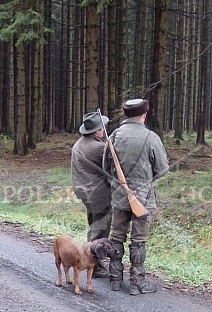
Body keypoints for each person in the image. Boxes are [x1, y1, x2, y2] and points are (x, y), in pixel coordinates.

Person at [103, 99, 169, 295]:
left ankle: (115, 278)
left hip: (118, 196)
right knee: (138, 240)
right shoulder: (151, 137)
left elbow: (106, 167)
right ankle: (137, 282)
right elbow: (162, 169)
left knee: (116, 236)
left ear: (126, 114)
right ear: (144, 114)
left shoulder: (114, 136)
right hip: (143, 198)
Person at [71, 111, 113, 278]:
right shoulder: (99, 148)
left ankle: (91, 260)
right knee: (100, 229)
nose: (103, 130)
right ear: (97, 131)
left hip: (84, 191)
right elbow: (113, 167)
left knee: (94, 225)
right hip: (98, 194)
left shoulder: (79, 143)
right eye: (101, 128)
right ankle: (95, 265)